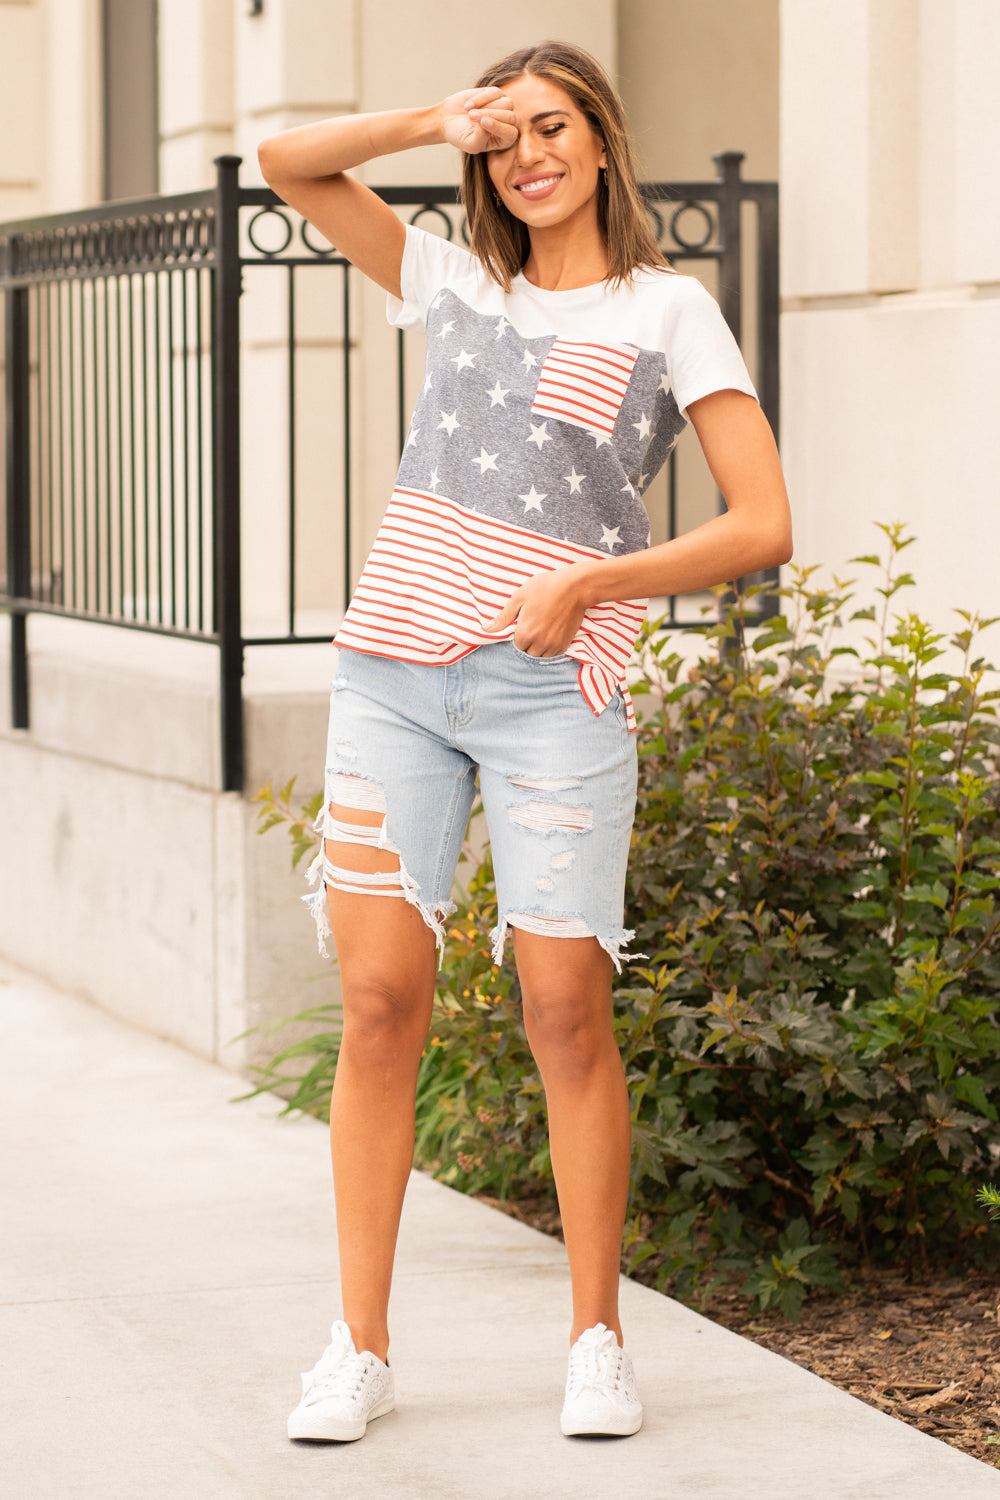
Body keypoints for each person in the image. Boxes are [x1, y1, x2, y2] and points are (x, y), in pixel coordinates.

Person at [258, 38, 792, 1444]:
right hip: (394, 680)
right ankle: (358, 1347)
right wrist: (436, 116)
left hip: (556, 691)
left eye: (550, 128)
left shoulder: (672, 310)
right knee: (380, 1006)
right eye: (503, 142)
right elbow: (288, 166)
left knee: (565, 1008)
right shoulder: (455, 280)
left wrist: (594, 581)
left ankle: (598, 1337)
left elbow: (760, 523)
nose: (527, 157)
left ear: (603, 141)